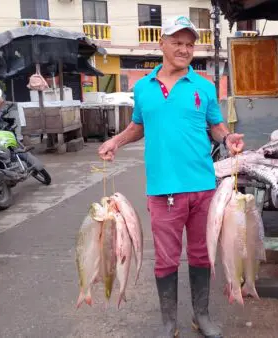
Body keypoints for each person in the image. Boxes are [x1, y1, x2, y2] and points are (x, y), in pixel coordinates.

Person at [98, 15, 244, 338]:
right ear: (161, 44)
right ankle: (168, 323)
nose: (184, 49)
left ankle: (202, 316)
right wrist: (116, 141)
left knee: (201, 255)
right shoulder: (143, 89)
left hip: (204, 189)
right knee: (165, 260)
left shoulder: (204, 88)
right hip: (163, 191)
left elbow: (216, 126)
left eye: (189, 44)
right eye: (177, 42)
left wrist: (227, 138)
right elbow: (138, 126)